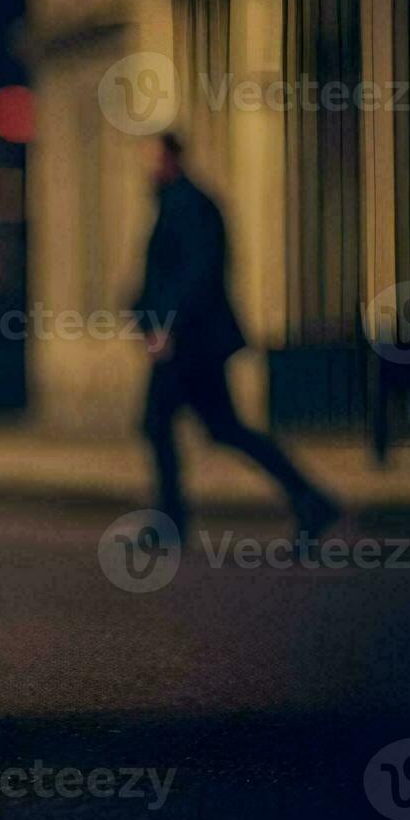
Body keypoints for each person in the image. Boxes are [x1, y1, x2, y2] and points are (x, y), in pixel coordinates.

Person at [134, 133, 338, 538]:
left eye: (152, 155)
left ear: (171, 157)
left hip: (191, 343)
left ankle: (173, 521)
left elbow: (197, 273)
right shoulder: (173, 202)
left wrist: (166, 325)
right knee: (220, 427)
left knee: (162, 422)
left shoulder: (190, 204)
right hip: (187, 341)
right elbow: (161, 275)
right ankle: (309, 499)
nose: (146, 165)